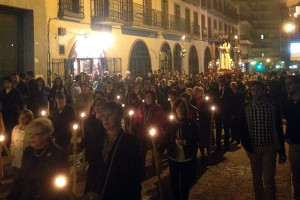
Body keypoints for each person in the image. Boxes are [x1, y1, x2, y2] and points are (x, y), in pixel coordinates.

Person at [239, 81, 286, 200]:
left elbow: (278, 129)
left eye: (258, 90)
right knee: (256, 178)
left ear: (264, 91)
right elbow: (242, 128)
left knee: (269, 178)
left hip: (269, 148)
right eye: (253, 90)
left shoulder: (272, 107)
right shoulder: (246, 108)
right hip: (253, 149)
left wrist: (281, 151)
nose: (255, 93)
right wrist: (246, 145)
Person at [84, 101, 142, 200]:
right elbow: (93, 168)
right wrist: (88, 191)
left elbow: (134, 176)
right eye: (103, 115)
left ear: (119, 117)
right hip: (98, 193)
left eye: (110, 115)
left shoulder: (130, 142)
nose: (105, 119)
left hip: (120, 193)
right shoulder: (97, 139)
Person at [7, 118, 70, 200]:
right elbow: (22, 176)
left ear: (46, 135)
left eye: (36, 134)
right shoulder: (28, 151)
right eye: (30, 134)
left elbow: (61, 185)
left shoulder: (58, 154)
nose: (31, 137)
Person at [159, 99, 198, 200]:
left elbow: (198, 137)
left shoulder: (191, 123)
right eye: (177, 107)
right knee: (174, 182)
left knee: (185, 182)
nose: (179, 109)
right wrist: (159, 151)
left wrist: (185, 142)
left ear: (185, 109)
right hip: (174, 158)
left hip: (187, 158)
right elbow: (166, 139)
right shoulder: (171, 124)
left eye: (181, 107)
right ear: (174, 109)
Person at [132, 90, 167, 179]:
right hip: (143, 132)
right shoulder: (141, 107)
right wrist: (135, 127)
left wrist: (155, 127)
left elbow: (161, 120)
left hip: (153, 132)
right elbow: (136, 117)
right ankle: (142, 170)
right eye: (146, 96)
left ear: (153, 98)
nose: (147, 98)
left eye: (149, 97)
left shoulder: (157, 108)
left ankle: (155, 167)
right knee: (141, 152)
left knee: (154, 150)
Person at [79, 97, 107, 194]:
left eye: (100, 105)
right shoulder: (90, 120)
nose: (98, 107)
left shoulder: (107, 120)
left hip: (104, 152)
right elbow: (87, 135)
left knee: (102, 175)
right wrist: (80, 146)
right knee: (91, 172)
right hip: (93, 151)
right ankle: (88, 192)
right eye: (96, 105)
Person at [282, 75, 300, 200]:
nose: (287, 86)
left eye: (290, 83)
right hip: (294, 142)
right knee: (296, 174)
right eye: (286, 84)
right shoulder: (287, 103)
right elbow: (289, 122)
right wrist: (287, 136)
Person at [0, 76, 25, 142]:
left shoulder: (16, 92)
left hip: (14, 112)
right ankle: (7, 141)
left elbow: (21, 102)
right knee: (6, 128)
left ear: (11, 83)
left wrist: (21, 111)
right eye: (4, 82)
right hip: (5, 113)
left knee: (14, 127)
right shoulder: (2, 93)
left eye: (7, 82)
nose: (5, 84)